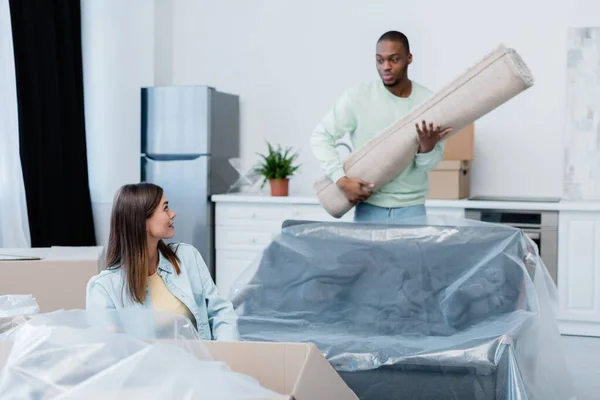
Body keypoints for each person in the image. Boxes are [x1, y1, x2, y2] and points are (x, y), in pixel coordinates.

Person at [310, 31, 452, 223]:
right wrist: (341, 180)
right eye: (379, 60)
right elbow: (321, 137)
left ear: (409, 58)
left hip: (411, 210)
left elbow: (429, 165)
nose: (386, 67)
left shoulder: (428, 102)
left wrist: (427, 149)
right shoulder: (358, 97)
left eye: (394, 59)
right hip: (369, 208)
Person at [86, 182, 240, 341]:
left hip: (200, 362)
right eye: (165, 208)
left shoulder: (187, 257)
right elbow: (108, 347)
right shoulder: (103, 288)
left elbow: (221, 313)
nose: (173, 214)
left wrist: (224, 355)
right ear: (142, 221)